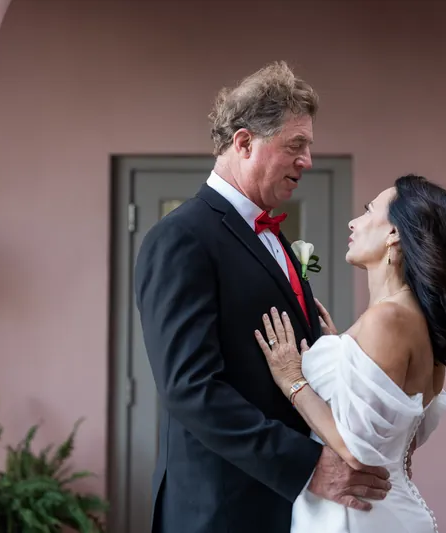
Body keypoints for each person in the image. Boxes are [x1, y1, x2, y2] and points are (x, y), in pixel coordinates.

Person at [134, 61, 390, 533]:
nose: (308, 161)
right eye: (297, 145)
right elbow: (190, 387)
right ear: (245, 142)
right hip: (220, 509)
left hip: (283, 509)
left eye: (309, 146)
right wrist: (306, 465)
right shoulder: (181, 238)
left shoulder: (275, 240)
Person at [255, 174, 446, 532]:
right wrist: (342, 355)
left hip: (360, 516)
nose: (353, 221)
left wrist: (293, 380)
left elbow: (357, 450)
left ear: (394, 233)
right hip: (378, 510)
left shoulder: (389, 318)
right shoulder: (413, 319)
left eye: (368, 211)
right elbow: (392, 437)